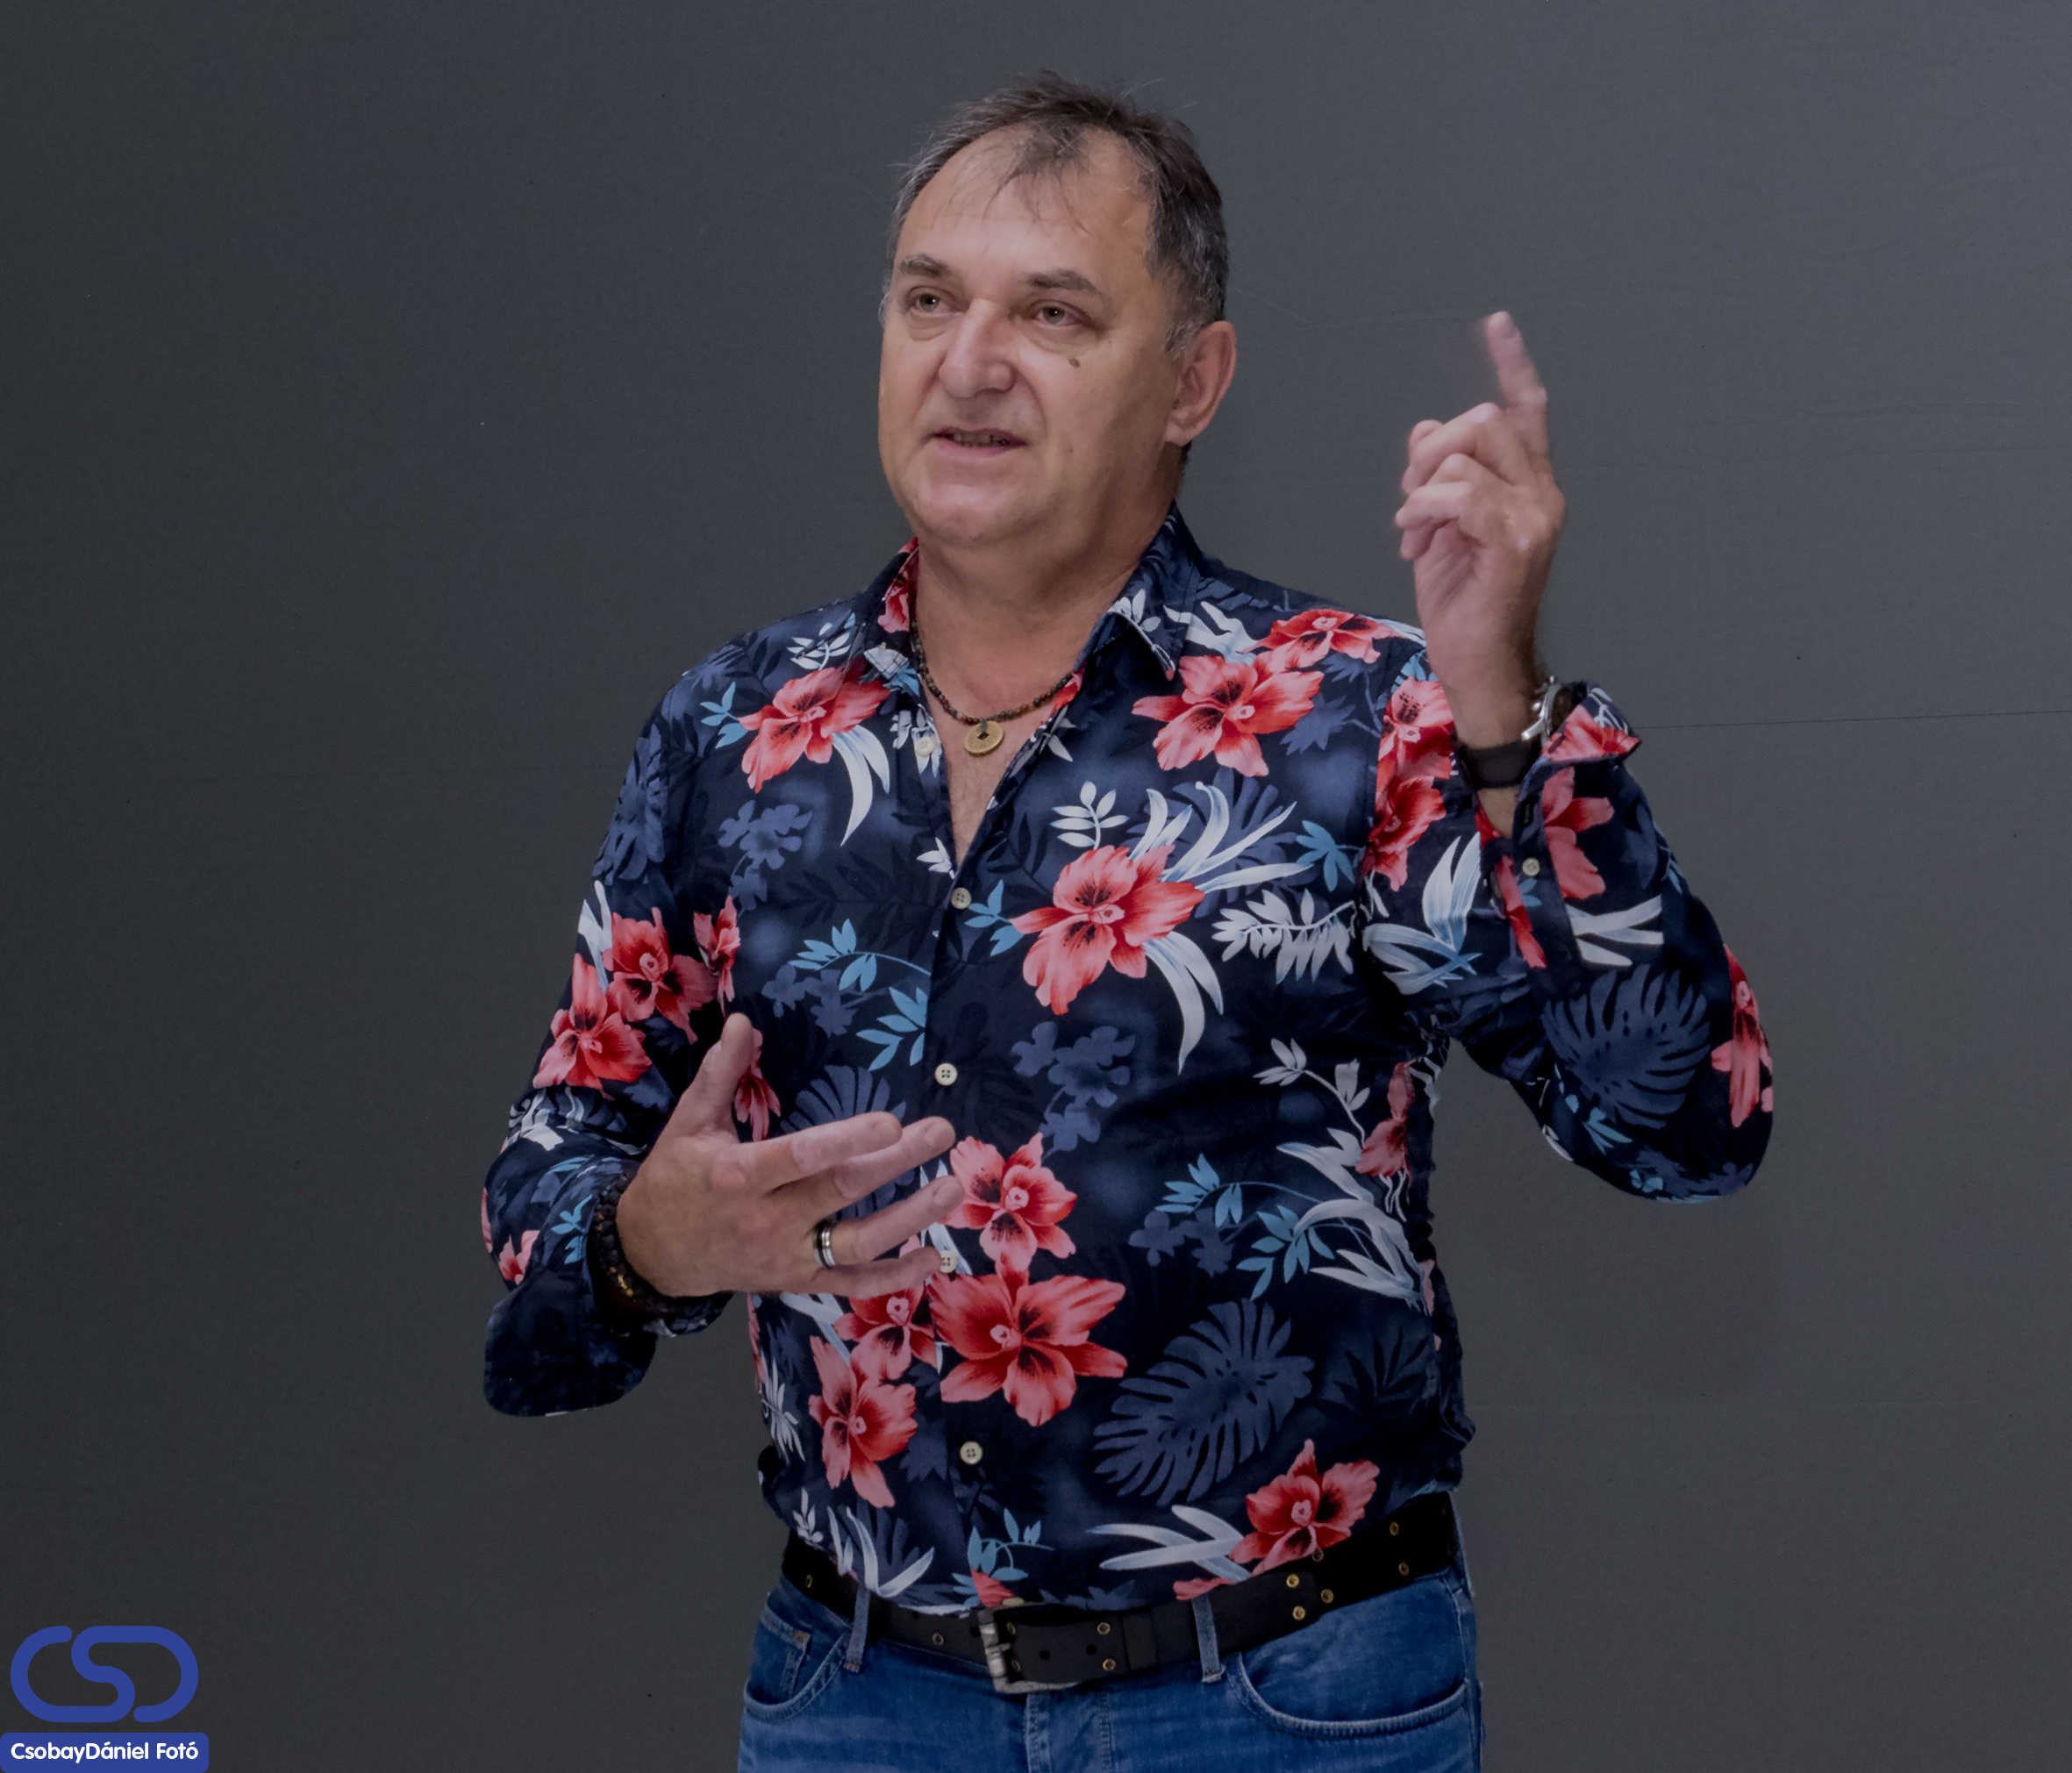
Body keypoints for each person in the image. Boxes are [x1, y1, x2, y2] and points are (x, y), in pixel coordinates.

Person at [479, 74, 1772, 1773]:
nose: (968, 362)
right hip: (856, 1703)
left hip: (1285, 1701)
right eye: (927, 300)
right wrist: (643, 1248)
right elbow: (548, 1232)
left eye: (1052, 314)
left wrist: (1506, 722)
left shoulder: (1356, 720)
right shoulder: (735, 733)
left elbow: (1683, 1126)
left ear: (1190, 383)